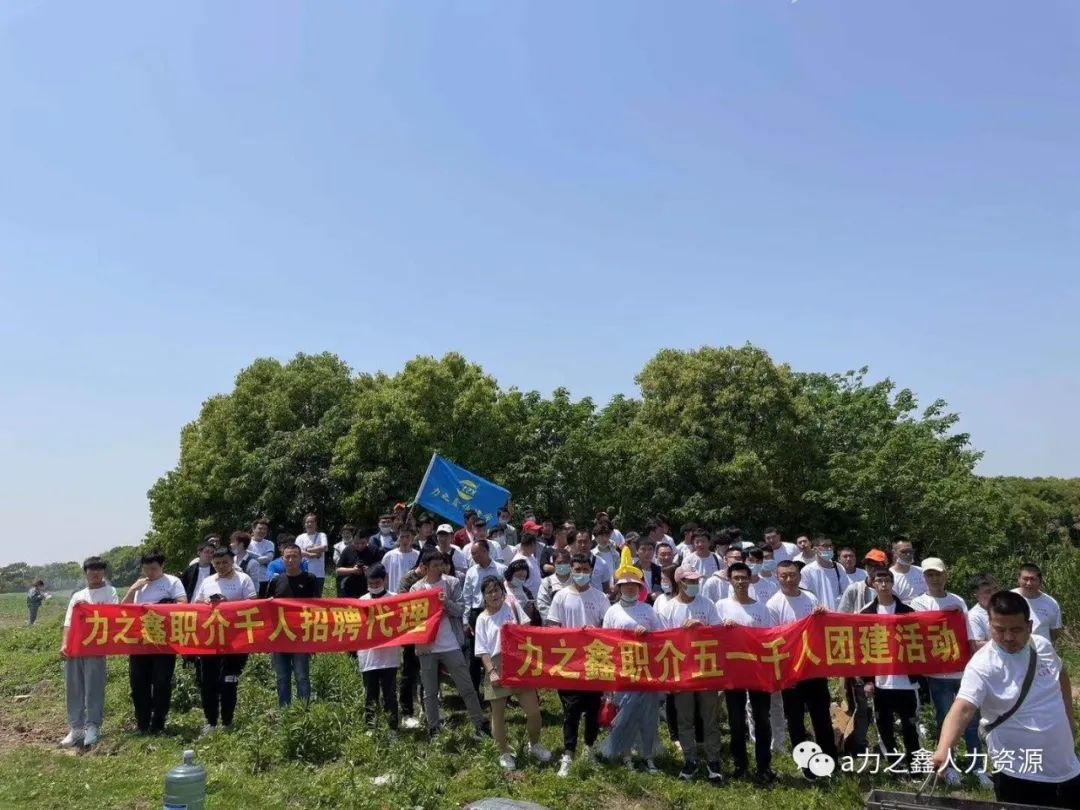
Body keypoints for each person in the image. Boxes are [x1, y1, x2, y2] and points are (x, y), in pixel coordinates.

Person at [931, 591, 1080, 808]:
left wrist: (1069, 719)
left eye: (1016, 630)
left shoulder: (1042, 646)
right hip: (1019, 773)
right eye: (999, 630)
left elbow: (1061, 675)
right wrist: (944, 748)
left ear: (1029, 626)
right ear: (989, 625)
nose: (1008, 637)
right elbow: (963, 708)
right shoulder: (982, 665)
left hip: (1066, 766)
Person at [910, 558, 987, 787]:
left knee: (971, 720)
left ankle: (978, 767)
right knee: (945, 720)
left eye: (938, 574)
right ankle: (948, 765)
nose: (934, 579)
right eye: (930, 575)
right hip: (938, 675)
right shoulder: (918, 603)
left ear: (946, 575)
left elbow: (969, 633)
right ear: (924, 578)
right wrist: (944, 615)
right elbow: (918, 630)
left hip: (963, 671)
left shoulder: (958, 601)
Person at [475, 574, 551, 770]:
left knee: (533, 712)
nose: (494, 595)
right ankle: (504, 752)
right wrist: (491, 671)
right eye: (489, 592)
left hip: (519, 663)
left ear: (502, 591)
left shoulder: (513, 607)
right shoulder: (482, 619)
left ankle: (535, 744)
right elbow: (482, 650)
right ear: (484, 596)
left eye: (496, 590)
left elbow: (527, 632)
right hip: (496, 665)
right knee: (498, 714)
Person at [656, 564, 723, 784]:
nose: (694, 584)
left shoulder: (707, 604)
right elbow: (661, 640)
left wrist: (702, 626)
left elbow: (719, 633)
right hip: (681, 672)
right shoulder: (667, 608)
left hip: (706, 670)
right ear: (680, 583)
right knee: (684, 719)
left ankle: (713, 761)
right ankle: (690, 759)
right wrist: (681, 632)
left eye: (696, 581)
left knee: (710, 718)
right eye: (690, 581)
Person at [410, 548, 487, 738]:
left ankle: (480, 724)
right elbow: (412, 619)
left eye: (441, 564)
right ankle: (433, 728)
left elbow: (460, 609)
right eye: (435, 565)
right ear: (424, 567)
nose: (440, 568)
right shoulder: (416, 589)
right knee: (430, 691)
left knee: (466, 686)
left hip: (450, 643)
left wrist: (446, 603)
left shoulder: (451, 583)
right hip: (427, 647)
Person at [547, 552, 610, 778]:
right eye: (577, 570)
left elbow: (608, 628)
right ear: (571, 570)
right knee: (571, 711)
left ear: (591, 571)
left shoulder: (600, 597)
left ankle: (589, 749)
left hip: (594, 661)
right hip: (569, 662)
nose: (581, 573)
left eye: (585, 570)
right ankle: (568, 753)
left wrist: (596, 632)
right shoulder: (561, 596)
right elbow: (552, 627)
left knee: (593, 710)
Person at [600, 548, 662, 773]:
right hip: (622, 669)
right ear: (618, 588)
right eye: (625, 585)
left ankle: (648, 754)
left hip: (646, 669)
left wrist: (647, 634)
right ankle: (626, 755)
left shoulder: (648, 610)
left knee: (648, 715)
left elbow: (661, 638)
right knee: (624, 713)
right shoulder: (612, 612)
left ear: (640, 587)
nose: (629, 588)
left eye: (633, 585)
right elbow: (606, 641)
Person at [766, 561, 835, 760]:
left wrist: (822, 614)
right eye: (784, 576)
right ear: (777, 577)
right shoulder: (773, 604)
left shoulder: (810, 597)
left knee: (821, 715)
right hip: (791, 671)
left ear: (799, 576)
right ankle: (804, 761)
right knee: (795, 719)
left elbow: (820, 629)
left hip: (814, 667)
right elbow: (774, 640)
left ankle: (829, 757)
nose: (789, 579)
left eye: (792, 575)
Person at [716, 562, 776, 783]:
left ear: (750, 580)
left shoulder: (761, 608)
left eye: (744, 578)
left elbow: (768, 638)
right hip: (732, 671)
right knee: (736, 720)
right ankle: (740, 765)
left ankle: (764, 766)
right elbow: (713, 636)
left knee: (762, 719)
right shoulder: (720, 606)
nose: (740, 582)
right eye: (736, 578)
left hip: (757, 671)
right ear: (730, 580)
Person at [857, 569, 920, 770]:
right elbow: (863, 650)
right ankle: (895, 765)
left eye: (887, 580)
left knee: (910, 726)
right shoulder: (866, 614)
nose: (883, 584)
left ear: (893, 583)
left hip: (906, 681)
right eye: (879, 580)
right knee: (884, 726)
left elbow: (919, 642)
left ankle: (915, 765)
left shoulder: (907, 611)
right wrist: (867, 679)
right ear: (873, 584)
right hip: (881, 681)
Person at [192, 547, 257, 733]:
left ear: (232, 561)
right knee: (208, 681)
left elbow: (253, 604)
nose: (221, 566)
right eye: (217, 563)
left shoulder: (243, 579)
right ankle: (210, 721)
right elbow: (197, 604)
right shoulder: (207, 581)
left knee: (229, 680)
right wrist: (207, 604)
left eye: (225, 562)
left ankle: (227, 721)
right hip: (210, 639)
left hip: (235, 640)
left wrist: (229, 604)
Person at [123, 550, 187, 734]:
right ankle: (142, 722)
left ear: (162, 566)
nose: (149, 573)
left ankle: (158, 722)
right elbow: (123, 608)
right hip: (140, 641)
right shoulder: (139, 585)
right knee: (138, 682)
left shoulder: (172, 582)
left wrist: (159, 607)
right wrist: (132, 590)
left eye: (153, 569)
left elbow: (183, 604)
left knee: (161, 682)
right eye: (146, 569)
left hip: (164, 641)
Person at [59, 557, 118, 747]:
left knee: (94, 687)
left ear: (104, 572)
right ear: (85, 573)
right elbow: (68, 622)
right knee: (74, 687)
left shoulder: (110, 592)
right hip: (75, 647)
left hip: (96, 647)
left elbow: (114, 616)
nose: (95, 574)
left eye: (99, 570)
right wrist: (65, 644)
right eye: (91, 570)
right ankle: (76, 728)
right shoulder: (78, 596)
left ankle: (92, 725)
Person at [266, 543, 317, 707]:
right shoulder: (276, 581)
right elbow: (267, 609)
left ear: (301, 558)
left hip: (301, 636)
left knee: (302, 676)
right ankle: (285, 712)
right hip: (280, 635)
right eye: (287, 557)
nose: (290, 560)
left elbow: (318, 608)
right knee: (282, 677)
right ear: (282, 559)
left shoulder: (310, 579)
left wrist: (313, 638)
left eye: (294, 556)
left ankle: (304, 710)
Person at [357, 564, 400, 730]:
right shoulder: (361, 601)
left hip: (389, 657)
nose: (374, 586)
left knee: (390, 694)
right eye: (371, 583)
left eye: (377, 583)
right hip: (368, 656)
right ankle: (370, 727)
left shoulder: (395, 599)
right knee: (370, 694)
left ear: (385, 580)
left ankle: (392, 728)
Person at [1013, 562, 1063, 644]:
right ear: (1018, 579)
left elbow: (1055, 632)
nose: (1029, 583)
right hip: (1014, 648)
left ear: (1040, 581)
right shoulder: (1008, 598)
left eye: (1032, 579)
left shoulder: (1051, 603)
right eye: (1025, 579)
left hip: (1041, 650)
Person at [798, 536, 850, 610]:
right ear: (815, 549)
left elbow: (846, 592)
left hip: (836, 613)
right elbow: (803, 596)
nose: (829, 549)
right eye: (825, 546)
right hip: (818, 613)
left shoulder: (839, 568)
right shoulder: (807, 570)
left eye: (830, 546)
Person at [335, 530, 383, 598]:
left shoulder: (374, 549)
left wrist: (370, 570)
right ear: (352, 541)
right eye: (356, 543)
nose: (360, 546)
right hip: (350, 589)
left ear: (367, 540)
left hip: (369, 589)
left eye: (363, 543)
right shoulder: (348, 550)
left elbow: (381, 568)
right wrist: (352, 570)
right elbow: (338, 570)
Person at [570, 529, 612, 596]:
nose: (583, 545)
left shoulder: (602, 563)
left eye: (585, 541)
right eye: (579, 542)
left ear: (591, 543)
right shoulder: (569, 562)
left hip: (597, 601)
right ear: (575, 544)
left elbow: (606, 588)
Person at [295, 513, 328, 596]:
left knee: (317, 598)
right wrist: (311, 554)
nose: (309, 524)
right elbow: (297, 551)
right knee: (302, 597)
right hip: (303, 572)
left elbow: (324, 547)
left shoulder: (321, 535)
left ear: (316, 523)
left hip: (318, 574)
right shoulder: (300, 537)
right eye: (307, 522)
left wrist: (308, 549)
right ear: (304, 524)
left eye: (312, 522)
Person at [382, 525, 420, 595]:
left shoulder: (418, 555)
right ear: (398, 537)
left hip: (413, 595)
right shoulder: (388, 556)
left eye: (407, 536)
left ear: (412, 537)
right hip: (393, 595)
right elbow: (384, 578)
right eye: (402, 537)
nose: (405, 540)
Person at [537, 547, 572, 621]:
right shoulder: (547, 582)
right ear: (553, 564)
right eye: (559, 563)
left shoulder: (576, 581)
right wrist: (552, 622)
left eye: (565, 562)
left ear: (570, 563)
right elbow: (543, 605)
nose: (562, 565)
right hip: (554, 624)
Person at [504, 559, 541, 625]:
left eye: (524, 577)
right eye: (518, 576)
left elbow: (533, 617)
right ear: (510, 574)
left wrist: (529, 612)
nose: (521, 579)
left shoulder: (526, 592)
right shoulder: (501, 589)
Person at [967, 573, 996, 653]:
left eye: (995, 589)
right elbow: (976, 645)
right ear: (976, 595)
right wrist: (1004, 643)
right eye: (988, 592)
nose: (994, 593)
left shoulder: (1003, 607)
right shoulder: (974, 616)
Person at [250, 518, 276, 598]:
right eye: (260, 528)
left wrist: (250, 559)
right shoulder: (246, 543)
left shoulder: (269, 544)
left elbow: (268, 558)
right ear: (253, 529)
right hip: (249, 579)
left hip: (264, 579)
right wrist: (261, 558)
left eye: (265, 529)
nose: (262, 531)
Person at [510, 533, 543, 597]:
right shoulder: (517, 561)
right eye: (535, 545)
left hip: (537, 595)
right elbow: (514, 584)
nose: (535, 547)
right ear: (531, 545)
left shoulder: (531, 556)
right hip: (527, 597)